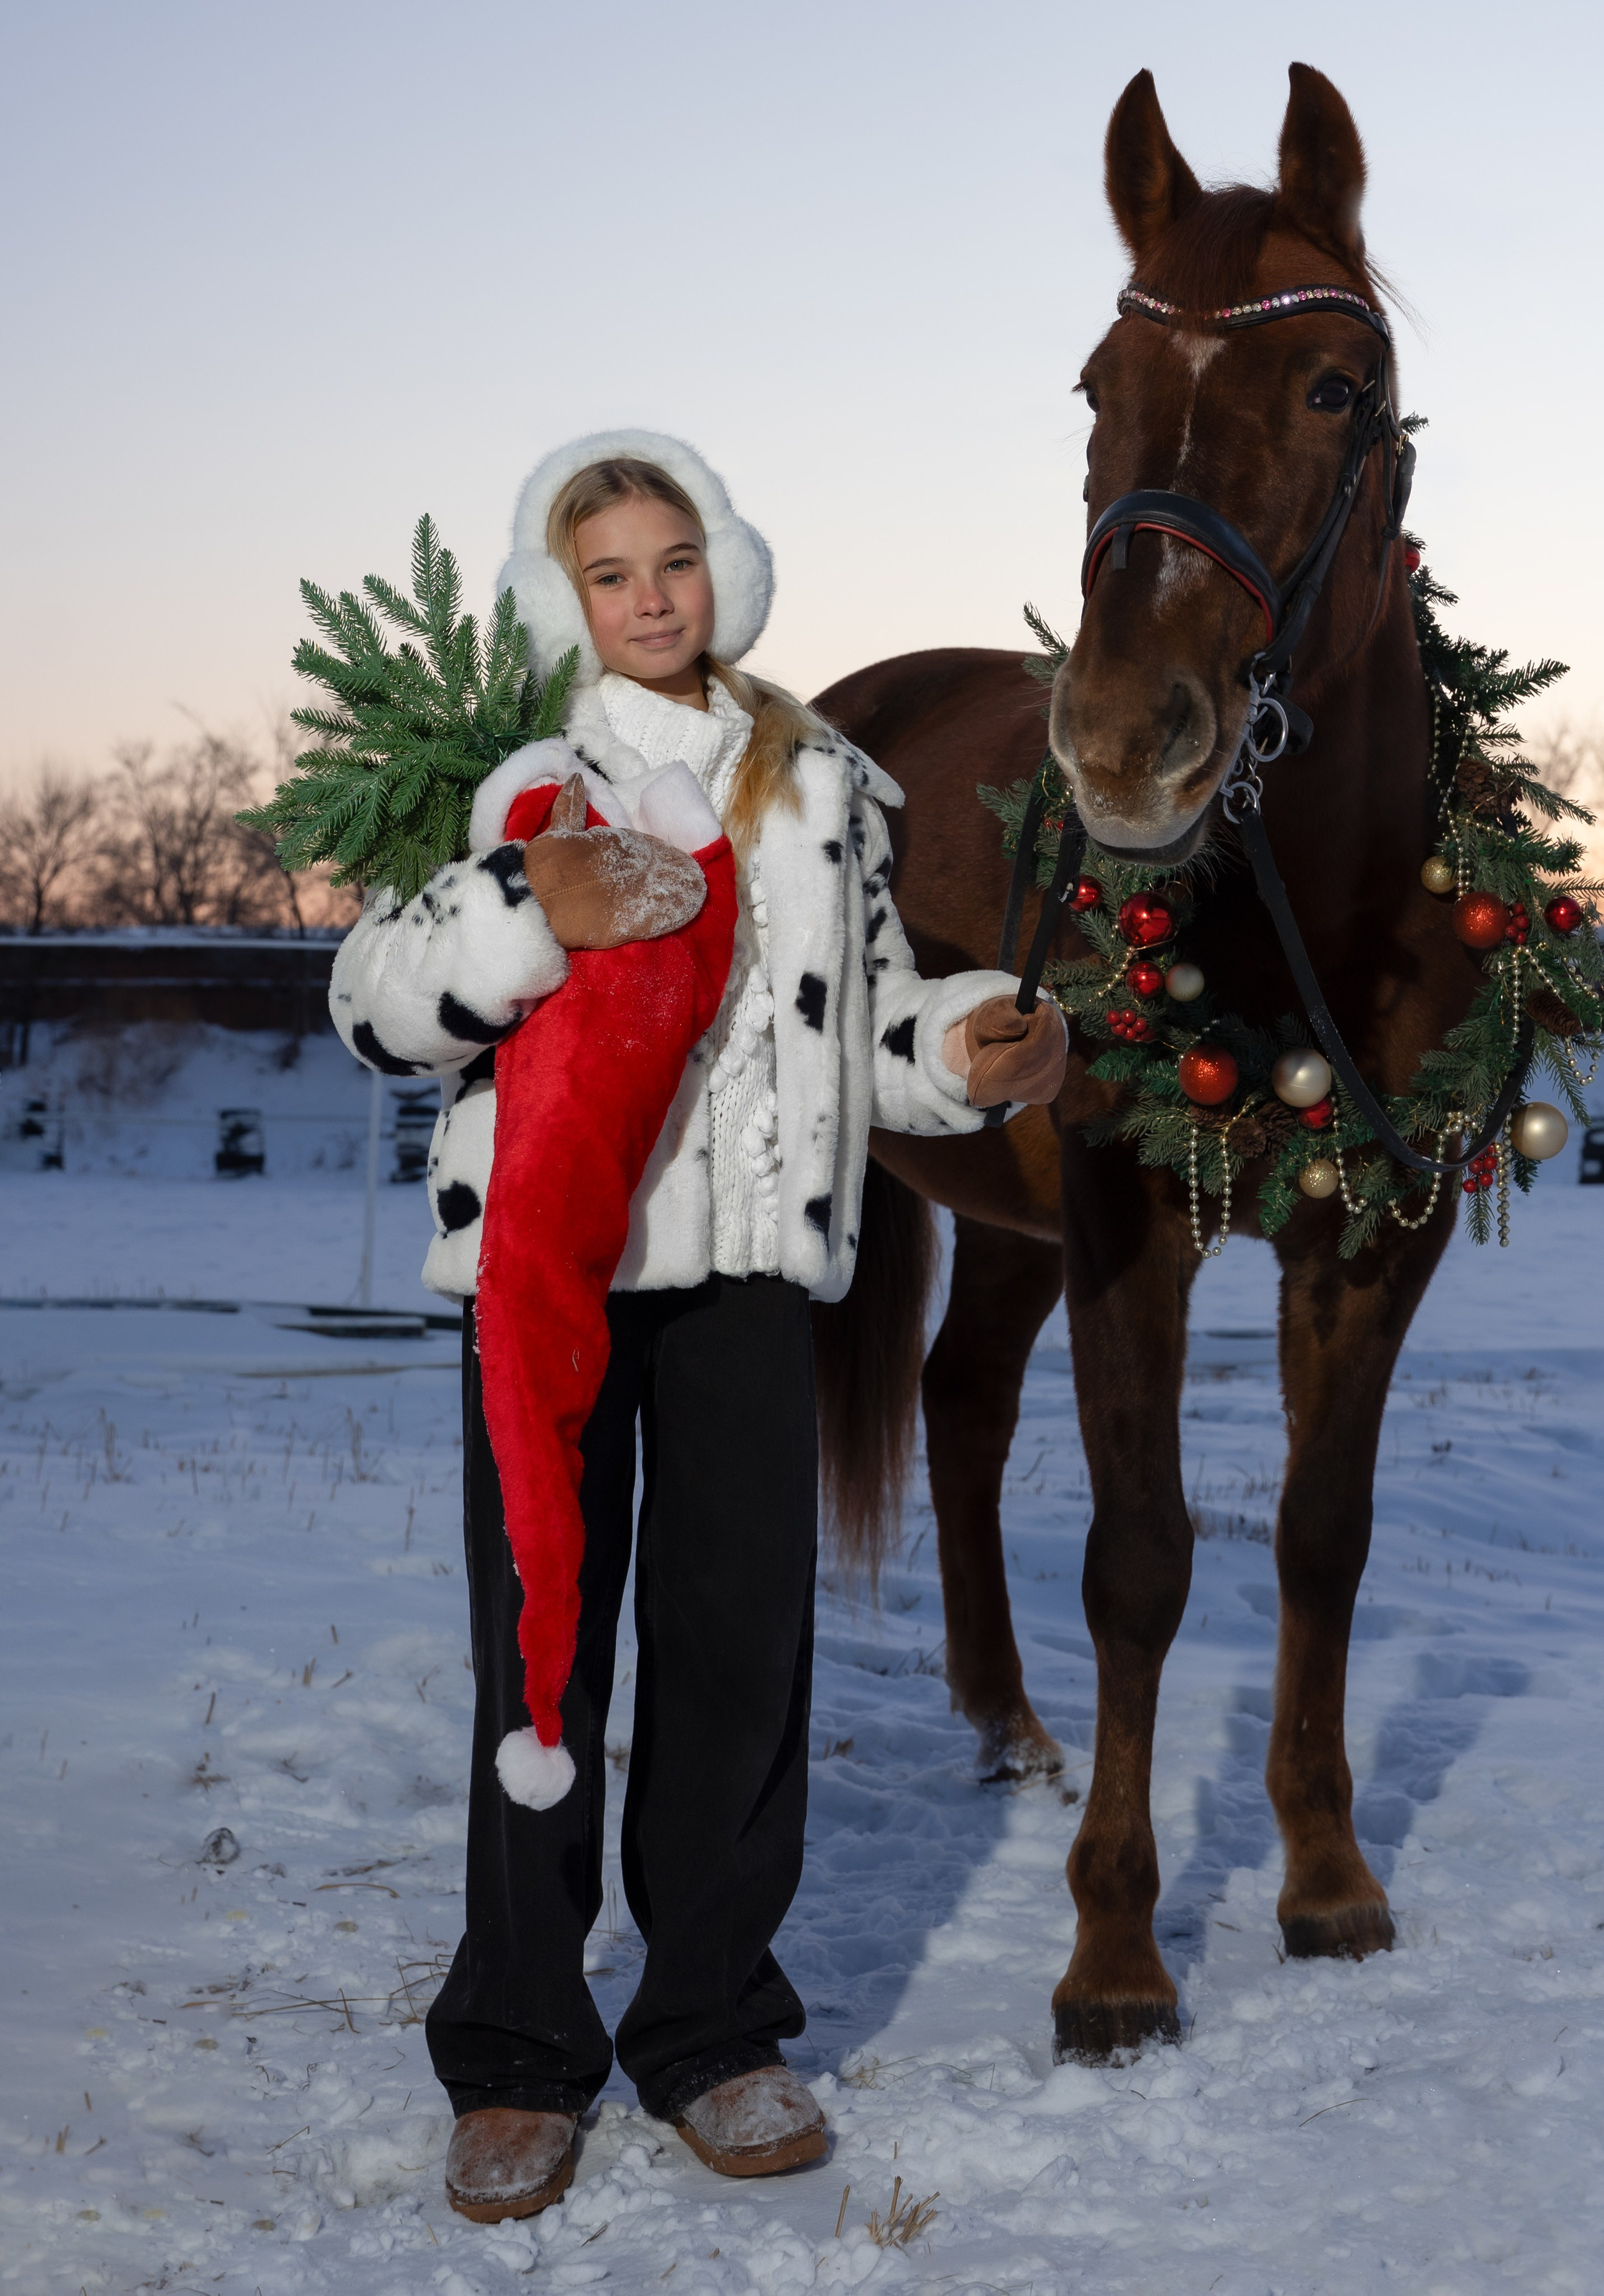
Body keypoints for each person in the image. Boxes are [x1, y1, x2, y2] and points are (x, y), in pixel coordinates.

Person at [328, 430, 1067, 2224]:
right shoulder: (523, 777)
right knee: (544, 1661)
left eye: (674, 560)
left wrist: (967, 1045)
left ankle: (713, 2030)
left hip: (753, 1272)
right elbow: (370, 1003)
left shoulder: (816, 785)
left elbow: (870, 1021)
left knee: (741, 1658)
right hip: (553, 1279)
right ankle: (514, 2053)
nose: (649, 595)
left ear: (721, 571)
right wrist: (525, 910)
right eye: (610, 572)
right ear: (564, 600)